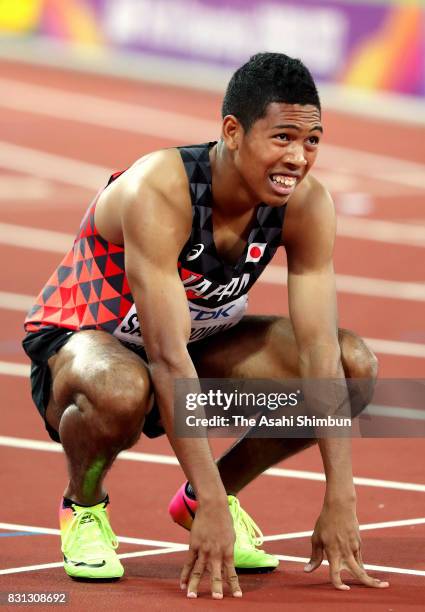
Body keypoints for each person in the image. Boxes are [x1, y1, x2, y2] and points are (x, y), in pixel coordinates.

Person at [22, 52, 389, 599]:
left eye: (312, 140)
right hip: (86, 345)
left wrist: (342, 496)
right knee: (127, 386)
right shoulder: (161, 189)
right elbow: (166, 359)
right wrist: (217, 503)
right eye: (283, 137)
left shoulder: (306, 204)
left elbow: (319, 354)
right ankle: (85, 506)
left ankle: (201, 500)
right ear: (233, 132)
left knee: (353, 365)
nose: (298, 157)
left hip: (198, 342)